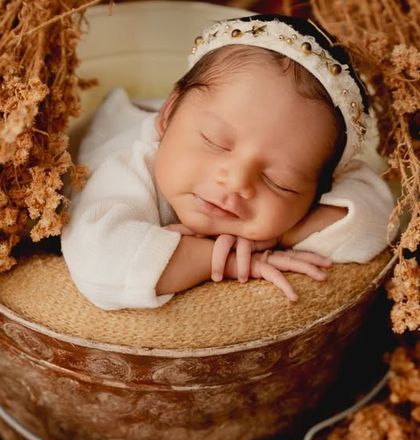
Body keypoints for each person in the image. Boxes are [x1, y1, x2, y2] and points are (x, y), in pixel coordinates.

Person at [61, 14, 395, 310]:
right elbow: (98, 262)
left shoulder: (302, 159)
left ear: (319, 190)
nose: (237, 181)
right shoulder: (131, 167)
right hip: (121, 123)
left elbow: (379, 222)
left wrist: (280, 232)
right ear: (168, 115)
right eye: (215, 142)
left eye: (280, 181)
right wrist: (230, 261)